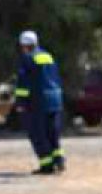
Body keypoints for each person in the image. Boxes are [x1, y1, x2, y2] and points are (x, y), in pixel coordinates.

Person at [14, 30, 65, 174]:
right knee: (52, 132)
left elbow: (23, 84)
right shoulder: (48, 56)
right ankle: (59, 160)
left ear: (24, 45)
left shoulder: (28, 58)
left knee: (38, 133)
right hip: (55, 99)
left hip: (39, 101)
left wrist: (21, 103)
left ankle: (47, 165)